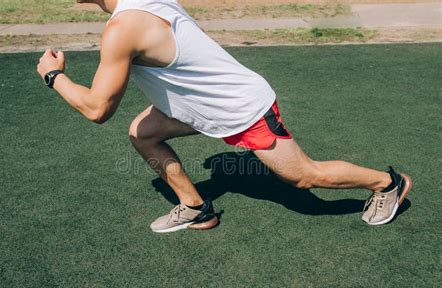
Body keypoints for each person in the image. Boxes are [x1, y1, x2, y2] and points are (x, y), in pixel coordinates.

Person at [37, 0, 412, 233]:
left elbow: (98, 108)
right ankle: (196, 209)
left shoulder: (122, 28)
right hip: (198, 106)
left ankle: (387, 183)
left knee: (303, 177)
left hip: (241, 108)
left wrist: (54, 76)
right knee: (143, 132)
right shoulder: (141, 4)